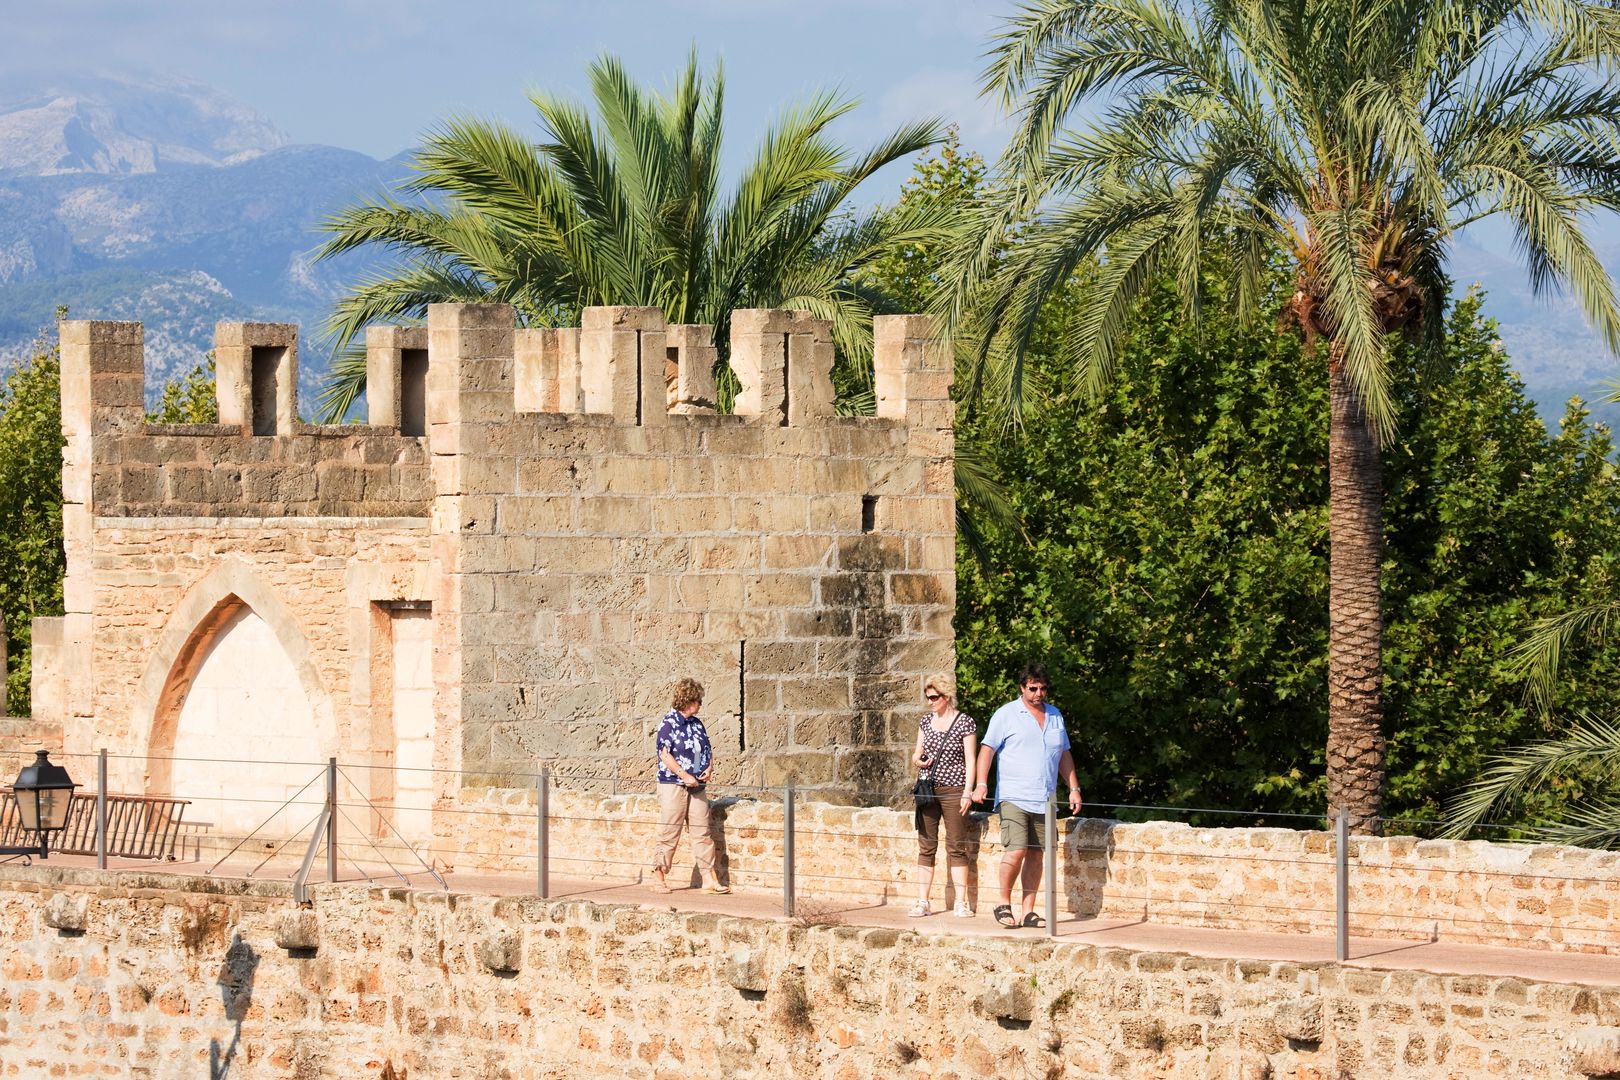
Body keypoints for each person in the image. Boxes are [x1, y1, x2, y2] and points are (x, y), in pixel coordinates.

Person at [971, 662, 1081, 928]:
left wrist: (1074, 789)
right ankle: (1003, 903)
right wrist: (981, 784)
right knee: (1016, 849)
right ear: (1022, 687)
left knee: (1036, 853)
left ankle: (1029, 911)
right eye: (1033, 688)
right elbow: (987, 750)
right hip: (1014, 795)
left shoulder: (1055, 715)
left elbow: (1063, 753)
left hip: (1046, 798)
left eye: (1043, 688)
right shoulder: (1006, 714)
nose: (1038, 693)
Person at [908, 674, 978, 918]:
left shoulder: (964, 722)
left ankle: (961, 902)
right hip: (928, 788)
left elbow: (971, 760)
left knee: (956, 845)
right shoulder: (926, 722)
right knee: (926, 845)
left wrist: (968, 791)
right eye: (927, 697)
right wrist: (920, 760)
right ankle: (922, 901)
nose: (930, 702)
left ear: (947, 696)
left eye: (934, 697)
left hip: (954, 789)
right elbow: (916, 754)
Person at [650, 677, 727, 894]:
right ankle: (659, 876)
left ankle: (708, 878)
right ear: (689, 700)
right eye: (698, 701)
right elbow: (664, 755)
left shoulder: (697, 724)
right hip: (673, 784)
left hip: (698, 785)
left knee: (702, 831)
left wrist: (709, 768)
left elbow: (708, 750)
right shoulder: (668, 724)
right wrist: (684, 775)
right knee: (670, 829)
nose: (700, 705)